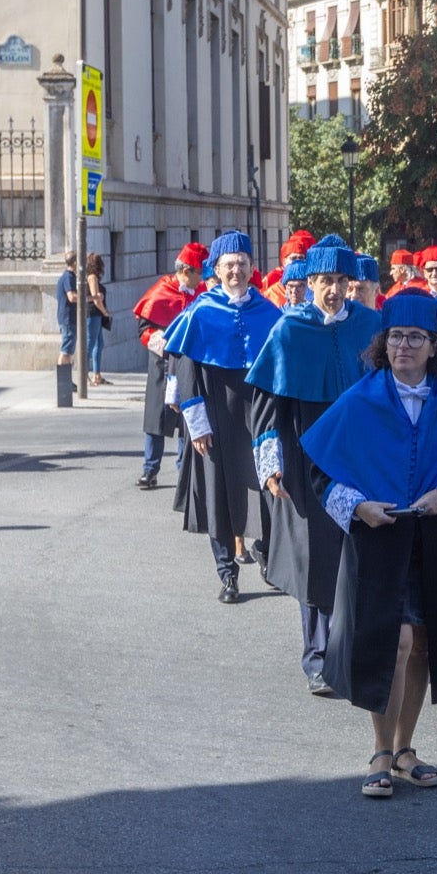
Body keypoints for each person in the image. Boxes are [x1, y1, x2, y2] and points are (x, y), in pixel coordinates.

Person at [301, 290, 437, 797]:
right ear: (382, 344)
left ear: (434, 345)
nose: (403, 345)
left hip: (435, 539)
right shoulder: (360, 400)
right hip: (379, 542)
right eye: (395, 337)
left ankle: (406, 749)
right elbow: (320, 473)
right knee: (395, 640)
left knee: (425, 642)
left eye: (415, 337)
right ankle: (380, 750)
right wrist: (359, 508)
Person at [247, 234, 383, 696]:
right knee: (315, 557)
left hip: (359, 457)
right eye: (325, 280)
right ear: (308, 282)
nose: (333, 289)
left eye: (341, 281)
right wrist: (270, 460)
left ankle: (351, 648)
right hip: (305, 456)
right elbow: (266, 402)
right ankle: (317, 655)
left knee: (358, 553)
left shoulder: (371, 326)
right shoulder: (289, 330)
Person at [163, 231, 283, 603]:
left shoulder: (268, 312)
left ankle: (265, 549)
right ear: (215, 269)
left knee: (266, 484)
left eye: (242, 264)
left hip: (258, 414)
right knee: (218, 491)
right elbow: (186, 372)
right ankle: (227, 571)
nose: (236, 270)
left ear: (251, 268)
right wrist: (195, 424)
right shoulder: (201, 311)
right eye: (229, 265)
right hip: (215, 414)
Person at [133, 242, 208, 489]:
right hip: (162, 365)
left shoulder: (203, 293)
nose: (202, 279)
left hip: (190, 365)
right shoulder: (161, 290)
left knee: (188, 419)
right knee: (156, 419)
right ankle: (150, 469)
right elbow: (144, 329)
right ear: (186, 271)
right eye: (199, 273)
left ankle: (184, 471)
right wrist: (163, 343)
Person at [85, 252, 111, 385]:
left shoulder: (91, 277)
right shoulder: (92, 277)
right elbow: (95, 298)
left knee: (99, 343)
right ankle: (85, 375)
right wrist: (104, 311)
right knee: (90, 344)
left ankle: (97, 375)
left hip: (95, 314)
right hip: (93, 313)